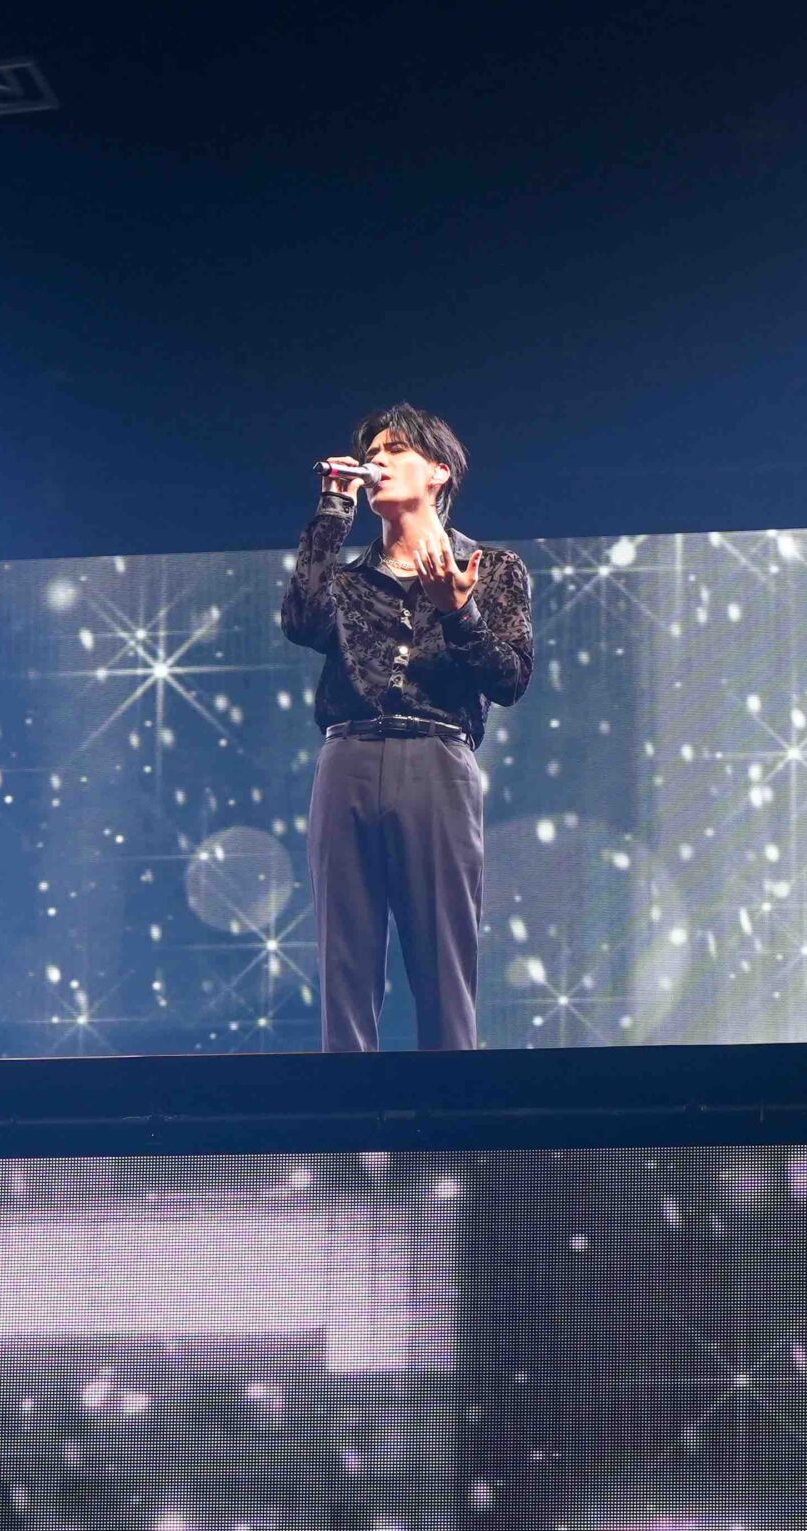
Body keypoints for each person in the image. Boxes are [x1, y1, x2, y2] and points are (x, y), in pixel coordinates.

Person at [280, 403, 533, 1051]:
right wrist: (332, 508)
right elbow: (300, 622)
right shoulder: (348, 580)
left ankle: (453, 1102)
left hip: (437, 757)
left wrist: (458, 612)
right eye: (372, 453)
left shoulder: (493, 569)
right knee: (345, 957)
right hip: (348, 756)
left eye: (395, 450)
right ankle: (348, 1104)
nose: (378, 462)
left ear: (438, 471)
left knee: (443, 955)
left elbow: (509, 679)